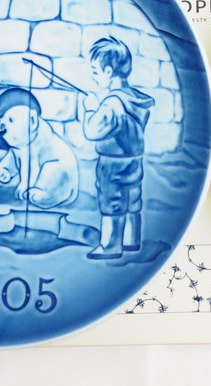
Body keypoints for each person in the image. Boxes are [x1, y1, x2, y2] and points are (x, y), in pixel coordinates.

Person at [81, 36, 155, 259]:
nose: (93, 77)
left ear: (109, 71)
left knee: (111, 200)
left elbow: (92, 131)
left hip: (112, 162)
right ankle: (131, 240)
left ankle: (110, 246)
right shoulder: (135, 99)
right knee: (132, 199)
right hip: (134, 160)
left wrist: (89, 109)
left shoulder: (112, 104)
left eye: (95, 72)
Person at [0, 88, 79, 209]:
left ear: (33, 121)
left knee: (52, 170)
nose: (4, 128)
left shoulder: (40, 141)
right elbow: (14, 156)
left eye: (11, 120)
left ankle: (45, 193)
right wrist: (6, 169)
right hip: (58, 187)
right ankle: (41, 193)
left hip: (61, 180)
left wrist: (25, 185)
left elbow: (32, 166)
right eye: (3, 124)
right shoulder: (23, 142)